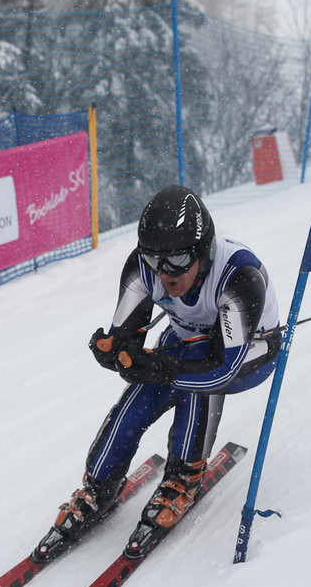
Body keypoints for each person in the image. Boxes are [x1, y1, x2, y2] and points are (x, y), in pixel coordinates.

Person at [35, 184, 281, 561]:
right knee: (142, 389)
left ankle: (184, 476)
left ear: (204, 251)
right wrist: (116, 352)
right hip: (187, 342)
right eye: (154, 260)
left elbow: (222, 371)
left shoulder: (239, 277)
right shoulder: (141, 268)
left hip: (248, 356)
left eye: (179, 261)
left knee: (192, 370)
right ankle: (99, 484)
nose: (166, 274)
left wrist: (163, 369)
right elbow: (125, 335)